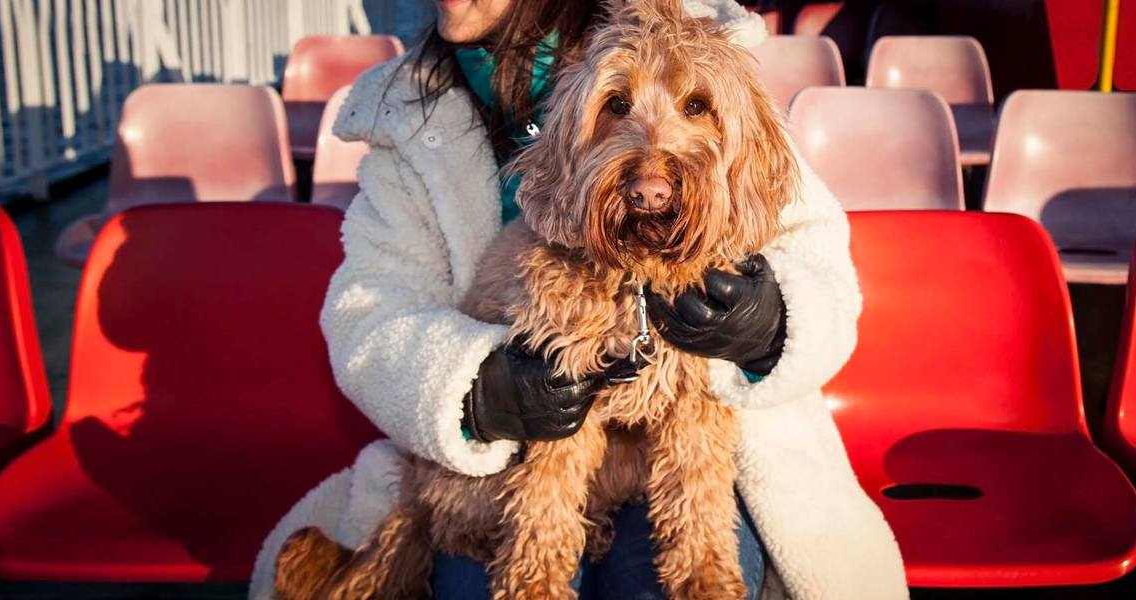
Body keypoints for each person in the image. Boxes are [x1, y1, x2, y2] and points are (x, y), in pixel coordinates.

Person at [250, 1, 907, 598]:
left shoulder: (700, 53)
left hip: (708, 472)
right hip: (497, 473)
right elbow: (367, 316)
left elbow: (817, 253)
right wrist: (477, 388)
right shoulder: (407, 114)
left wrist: (772, 323)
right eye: (616, 109)